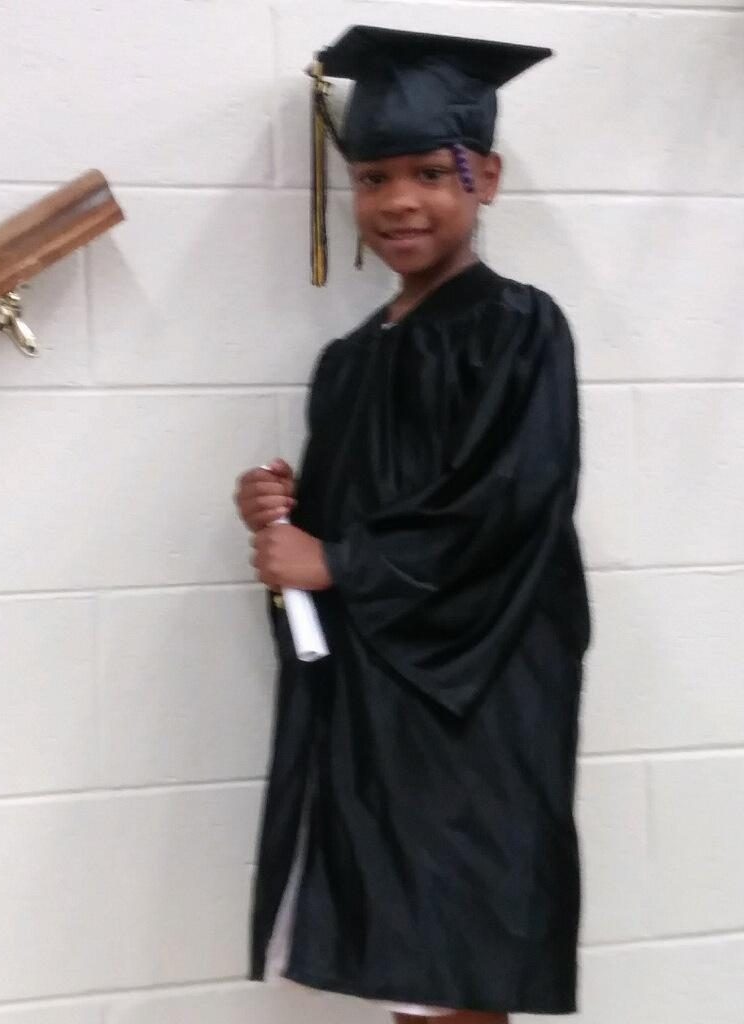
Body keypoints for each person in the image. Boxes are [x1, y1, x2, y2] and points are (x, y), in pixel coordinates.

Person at [235, 24, 591, 1022]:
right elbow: (326, 551)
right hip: (379, 690)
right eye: (374, 175)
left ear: (487, 176)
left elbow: (510, 510)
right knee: (408, 962)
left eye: (432, 171)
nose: (399, 200)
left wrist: (335, 558)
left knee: (463, 958)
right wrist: (279, 525)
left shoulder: (520, 327)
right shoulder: (348, 360)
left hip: (481, 691)